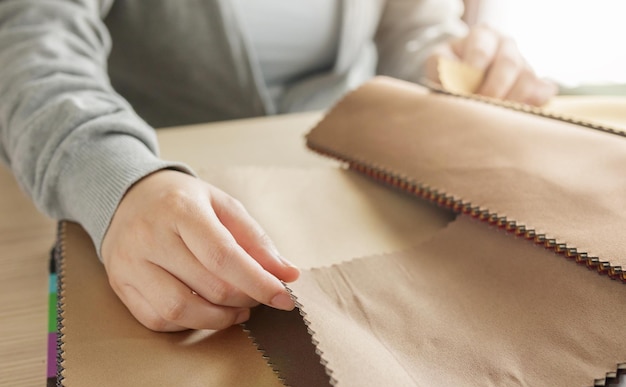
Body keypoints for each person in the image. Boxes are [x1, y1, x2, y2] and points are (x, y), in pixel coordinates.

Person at [0, 0, 556, 332]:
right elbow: (30, 49)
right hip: (152, 191)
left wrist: (460, 66)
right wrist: (119, 182)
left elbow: (411, 26)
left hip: (354, 184)